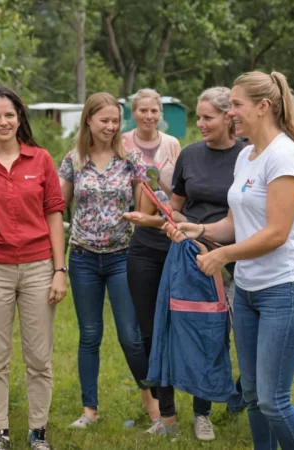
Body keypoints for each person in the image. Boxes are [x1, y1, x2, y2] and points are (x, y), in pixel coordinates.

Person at [165, 70, 294, 450]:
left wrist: (223, 256)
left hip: (285, 291)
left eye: (236, 104)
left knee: (273, 400)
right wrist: (197, 231)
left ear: (263, 107)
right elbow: (236, 223)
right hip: (249, 292)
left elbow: (276, 232)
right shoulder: (248, 156)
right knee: (252, 395)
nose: (230, 112)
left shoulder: (283, 155)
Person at [123, 86, 245, 440]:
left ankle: (202, 413)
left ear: (228, 117)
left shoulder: (247, 156)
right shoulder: (190, 155)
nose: (200, 124)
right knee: (170, 329)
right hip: (186, 255)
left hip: (225, 259)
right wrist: (173, 223)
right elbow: (176, 204)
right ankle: (168, 415)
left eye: (208, 117)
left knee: (210, 335)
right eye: (199, 117)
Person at [0, 86, 67, 450]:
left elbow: (54, 213)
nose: (3, 121)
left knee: (39, 357)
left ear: (19, 118)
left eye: (9, 115)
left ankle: (38, 433)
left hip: (39, 268)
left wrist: (59, 269)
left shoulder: (41, 159)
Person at [58, 92, 159, 430]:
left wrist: (141, 211)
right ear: (89, 120)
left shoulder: (131, 160)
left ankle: (155, 404)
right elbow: (58, 207)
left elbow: (145, 207)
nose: (111, 126)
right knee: (89, 334)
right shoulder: (73, 160)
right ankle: (90, 410)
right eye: (105, 120)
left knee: (130, 335)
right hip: (84, 258)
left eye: (116, 121)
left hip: (120, 257)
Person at [120, 88, 186, 436]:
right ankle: (159, 402)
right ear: (134, 113)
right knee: (143, 328)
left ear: (161, 113)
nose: (148, 115)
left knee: (172, 322)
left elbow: (176, 190)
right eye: (142, 110)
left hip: (168, 234)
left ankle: (172, 404)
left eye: (154, 110)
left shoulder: (173, 144)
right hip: (137, 238)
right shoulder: (122, 143)